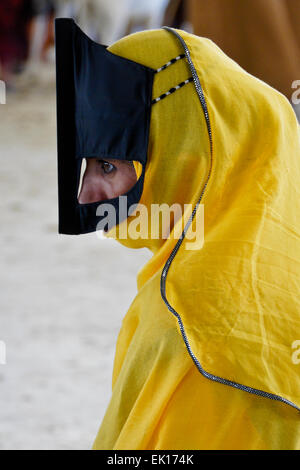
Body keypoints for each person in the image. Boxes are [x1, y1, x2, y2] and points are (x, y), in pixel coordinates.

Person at [55, 19, 300, 450]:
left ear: (185, 156)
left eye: (108, 166)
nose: (87, 193)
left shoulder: (184, 318)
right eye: (87, 166)